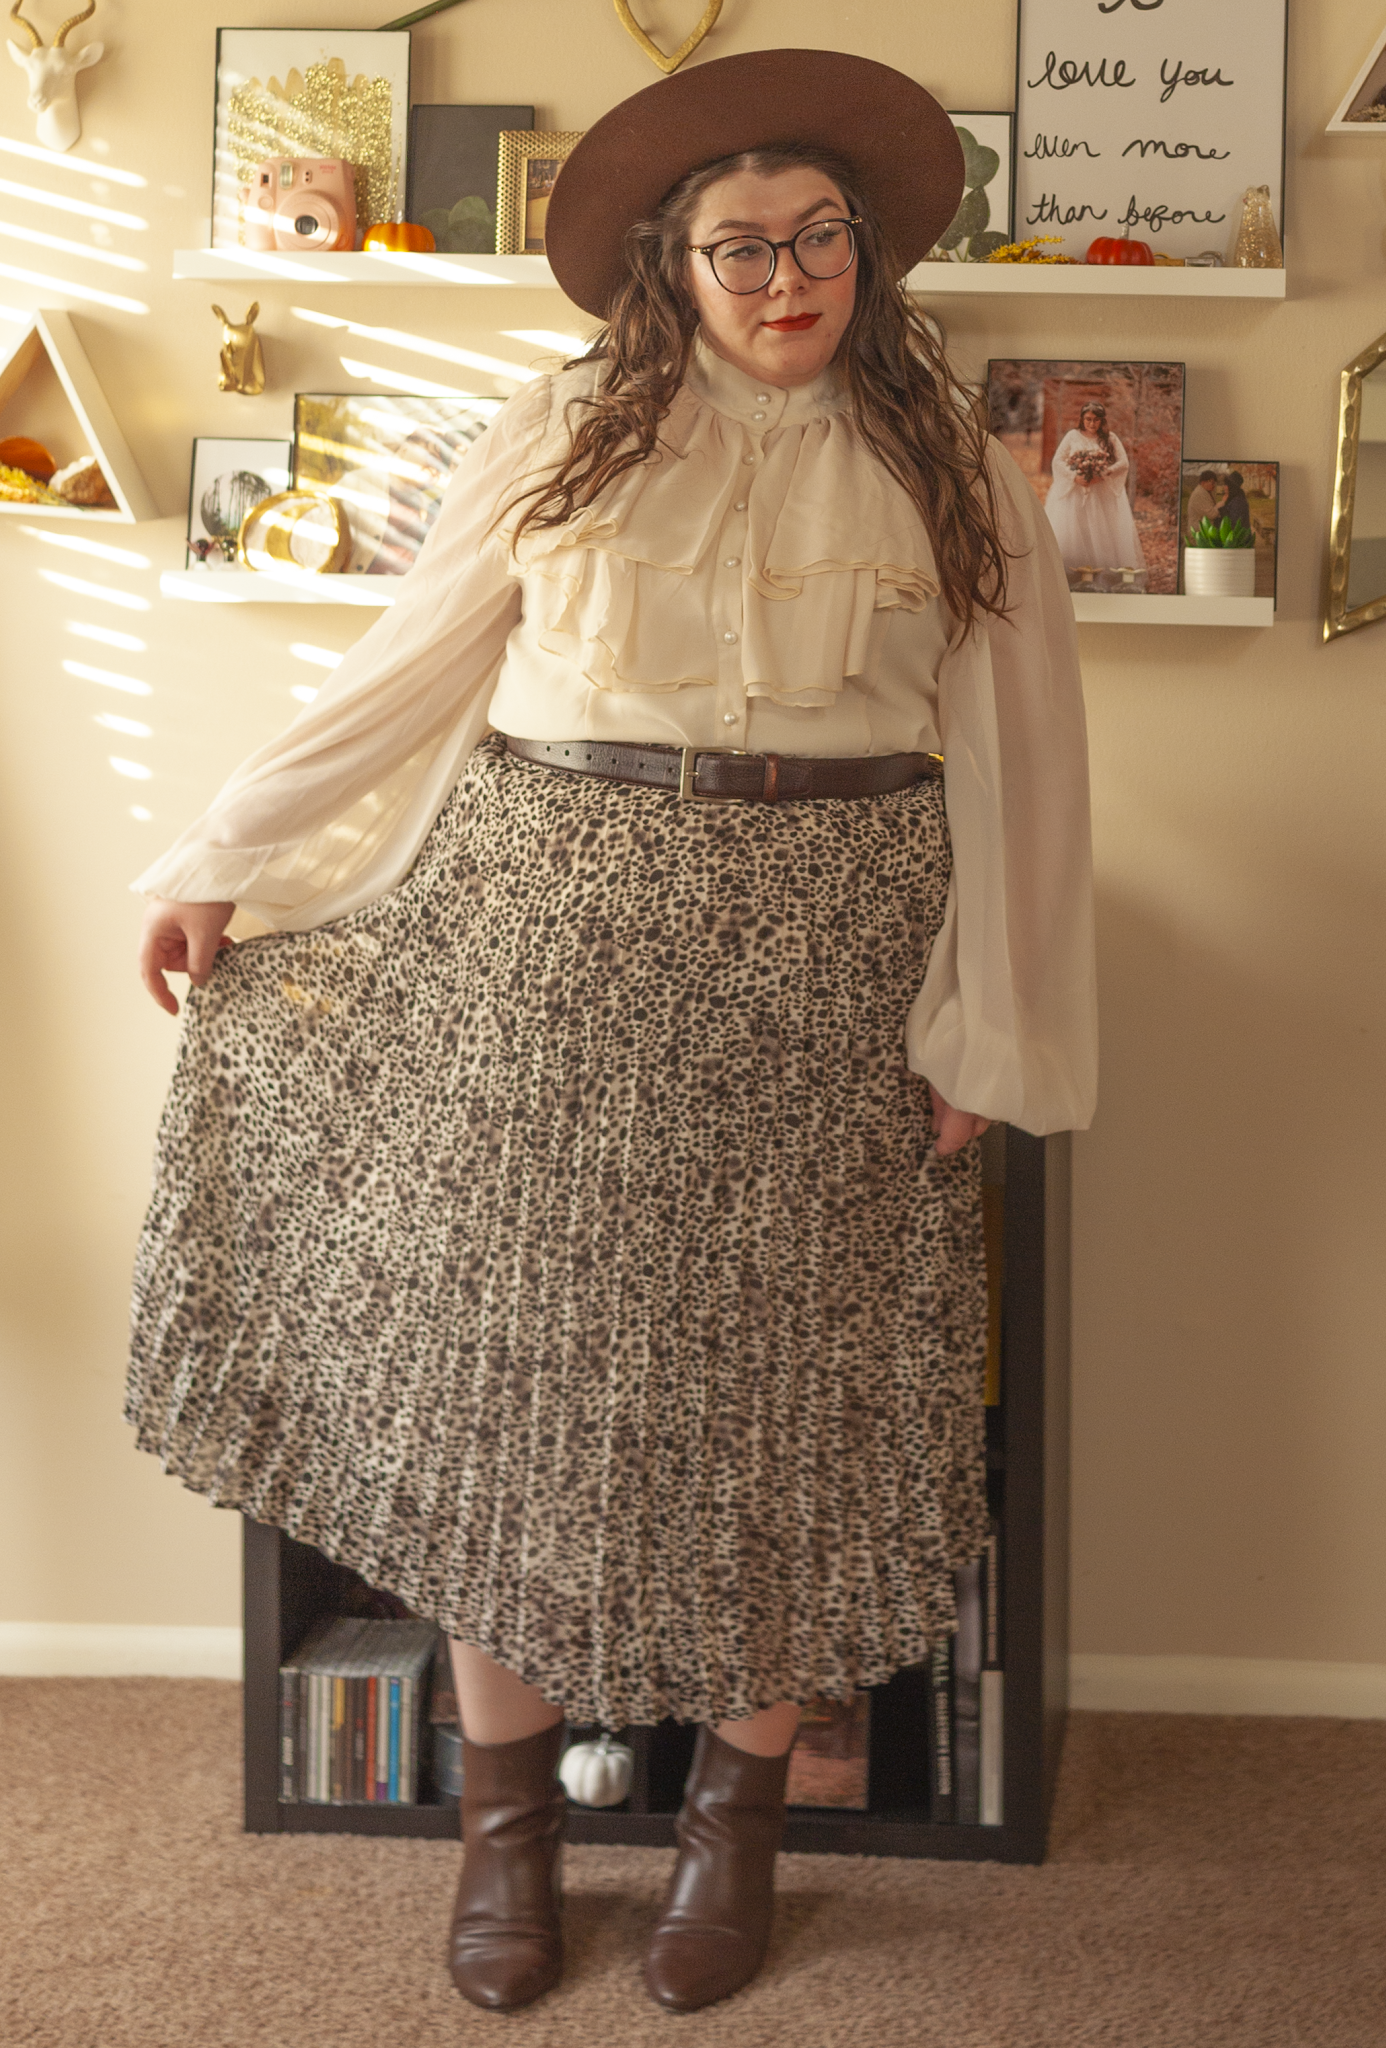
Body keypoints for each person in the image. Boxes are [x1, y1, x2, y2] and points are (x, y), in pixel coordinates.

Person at [125, 49, 1095, 2019]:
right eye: (742, 243)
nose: (786, 275)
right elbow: (412, 666)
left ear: (871, 252)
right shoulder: (561, 430)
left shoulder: (958, 466)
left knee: (787, 1413)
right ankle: (510, 1839)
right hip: (549, 940)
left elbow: (1022, 772)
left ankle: (733, 1835)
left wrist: (989, 1030)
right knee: (523, 1405)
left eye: (821, 235)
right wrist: (227, 845)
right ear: (674, 260)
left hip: (831, 958)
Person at [1044, 400, 1145, 577]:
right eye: (1088, 419)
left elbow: (1123, 463)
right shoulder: (1072, 436)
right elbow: (1057, 461)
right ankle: (1073, 573)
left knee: (1100, 532)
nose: (1092, 424)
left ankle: (1103, 574)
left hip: (1100, 493)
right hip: (1075, 491)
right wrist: (1074, 476)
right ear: (1082, 419)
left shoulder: (1110, 438)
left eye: (1096, 420)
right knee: (1076, 530)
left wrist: (1104, 472)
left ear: (1102, 421)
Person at [1185, 467, 1221, 535]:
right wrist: (1219, 505)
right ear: (1203, 482)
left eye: (1214, 483)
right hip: (1197, 533)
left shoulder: (1206, 492)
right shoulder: (1199, 494)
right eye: (1212, 483)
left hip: (1202, 532)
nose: (1214, 486)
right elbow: (1212, 514)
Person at [1220, 468, 1253, 535]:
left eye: (1227, 485)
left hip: (1240, 541)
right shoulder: (1233, 498)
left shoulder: (1238, 502)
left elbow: (1234, 524)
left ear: (1232, 487)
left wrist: (1222, 506)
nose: (1224, 487)